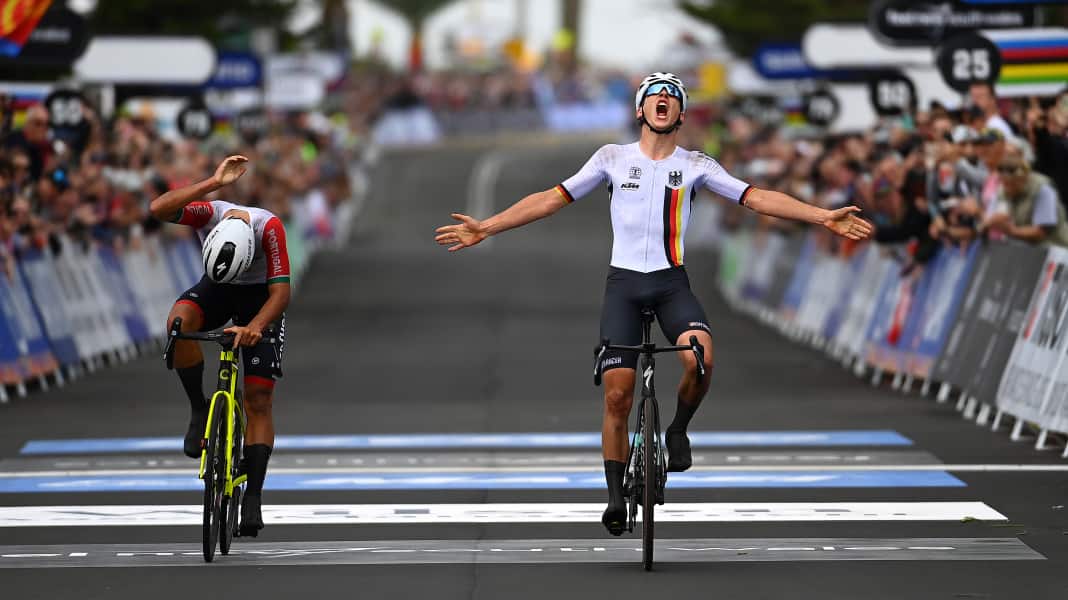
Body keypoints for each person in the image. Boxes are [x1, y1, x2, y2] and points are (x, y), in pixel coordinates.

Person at [434, 73, 873, 536]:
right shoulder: (611, 159)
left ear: (681, 115)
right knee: (619, 394)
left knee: (700, 357)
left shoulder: (698, 164)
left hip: (671, 284)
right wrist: (487, 227)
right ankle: (614, 496)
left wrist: (822, 215)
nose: (662, 102)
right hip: (623, 286)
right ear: (641, 110)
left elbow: (757, 197)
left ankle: (678, 428)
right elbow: (550, 199)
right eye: (654, 97)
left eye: (671, 99)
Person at [149, 155, 291, 537]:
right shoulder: (211, 212)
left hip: (259, 298)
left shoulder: (269, 228)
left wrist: (256, 327)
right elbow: (158, 209)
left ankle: (254, 495)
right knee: (178, 324)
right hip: (218, 286)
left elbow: (280, 294)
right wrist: (211, 182)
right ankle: (199, 406)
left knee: (259, 398)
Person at [981, 143, 1068, 247]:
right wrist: (990, 222)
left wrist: (1011, 230)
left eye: (1010, 183)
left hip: (1055, 248)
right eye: (1004, 183)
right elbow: (995, 217)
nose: (1006, 188)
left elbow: (1040, 232)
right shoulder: (1002, 190)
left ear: (1022, 179)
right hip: (1025, 251)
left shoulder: (1042, 189)